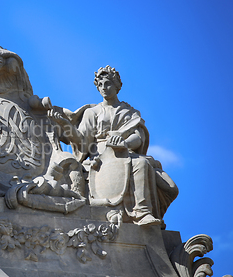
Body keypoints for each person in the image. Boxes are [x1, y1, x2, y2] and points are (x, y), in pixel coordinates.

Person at [48, 66, 178, 226]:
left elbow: (138, 137)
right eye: (100, 84)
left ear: (118, 86)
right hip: (101, 156)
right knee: (141, 164)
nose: (104, 88)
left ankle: (143, 212)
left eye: (108, 83)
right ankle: (141, 211)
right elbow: (82, 142)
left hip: (126, 152)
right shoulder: (93, 112)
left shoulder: (130, 113)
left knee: (165, 183)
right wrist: (64, 124)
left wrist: (124, 144)